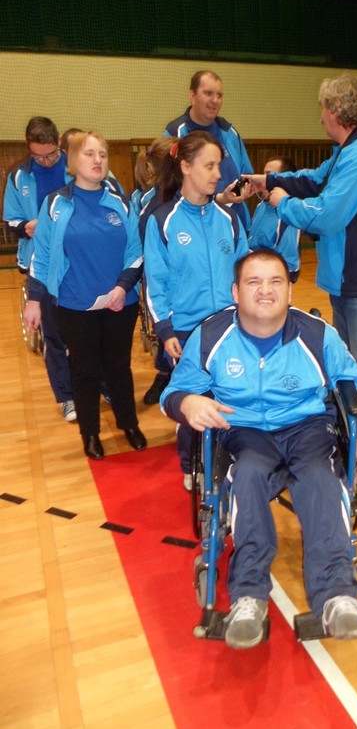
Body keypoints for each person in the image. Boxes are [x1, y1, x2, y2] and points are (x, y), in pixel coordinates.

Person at [160, 249, 357, 649]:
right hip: (244, 432)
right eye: (254, 282)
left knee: (320, 479)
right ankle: (248, 598)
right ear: (236, 292)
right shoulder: (211, 336)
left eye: (276, 281)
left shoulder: (317, 334)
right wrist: (187, 402)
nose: (265, 290)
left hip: (307, 428)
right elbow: (174, 392)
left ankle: (337, 598)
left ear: (290, 291)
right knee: (248, 475)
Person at [246, 74, 357, 484]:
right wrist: (268, 181)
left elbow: (327, 214)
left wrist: (282, 203)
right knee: (349, 366)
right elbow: (313, 179)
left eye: (323, 109)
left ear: (336, 111)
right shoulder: (347, 152)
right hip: (344, 279)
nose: (320, 117)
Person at [23, 131, 146, 461]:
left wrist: (122, 287)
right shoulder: (56, 204)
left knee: (118, 367)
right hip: (74, 306)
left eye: (102, 154)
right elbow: (42, 255)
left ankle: (128, 424)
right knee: (84, 370)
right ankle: (90, 433)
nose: (97, 160)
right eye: (89, 154)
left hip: (121, 303)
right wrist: (34, 300)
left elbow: (136, 252)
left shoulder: (121, 203)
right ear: (73, 160)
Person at [144, 131, 249, 486]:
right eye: (209, 166)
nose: (218, 173)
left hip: (231, 328)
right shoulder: (163, 220)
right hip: (187, 333)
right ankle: (192, 465)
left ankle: (230, 457)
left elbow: (245, 270)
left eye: (219, 165)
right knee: (194, 402)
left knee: (230, 397)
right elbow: (155, 284)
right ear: (186, 167)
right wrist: (165, 330)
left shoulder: (229, 219)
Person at [3, 116, 76, 422]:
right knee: (54, 336)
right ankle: (66, 396)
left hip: (78, 262)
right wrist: (26, 227)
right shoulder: (18, 176)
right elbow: (10, 221)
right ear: (28, 147)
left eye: (51, 155)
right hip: (41, 265)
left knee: (86, 332)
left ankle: (98, 384)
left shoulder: (77, 164)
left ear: (59, 142)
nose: (45, 161)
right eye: (38, 156)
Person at [163, 69, 253, 229]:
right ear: (192, 95)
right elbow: (170, 188)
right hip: (193, 228)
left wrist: (235, 195)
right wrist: (220, 199)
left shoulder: (229, 132)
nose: (215, 100)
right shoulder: (175, 133)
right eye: (208, 93)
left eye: (219, 95)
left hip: (235, 225)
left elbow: (247, 176)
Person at [131, 137, 177, 405]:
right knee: (166, 327)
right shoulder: (150, 202)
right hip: (160, 277)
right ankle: (165, 374)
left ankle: (172, 375)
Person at [248, 155, 301, 282]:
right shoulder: (262, 205)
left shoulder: (288, 216)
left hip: (268, 281)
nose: (263, 179)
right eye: (264, 174)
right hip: (251, 272)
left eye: (269, 175)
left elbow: (290, 267)